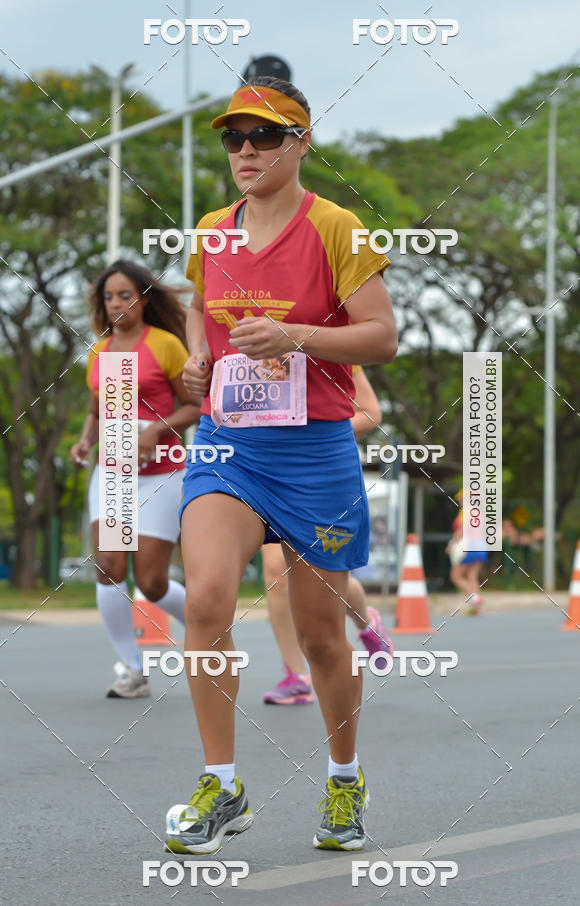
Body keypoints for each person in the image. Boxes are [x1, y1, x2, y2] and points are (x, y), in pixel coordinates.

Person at [165, 76, 397, 855]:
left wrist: (296, 335)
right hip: (230, 447)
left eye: (264, 136)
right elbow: (199, 308)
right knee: (204, 601)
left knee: (323, 636)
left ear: (302, 141)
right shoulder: (211, 230)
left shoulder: (338, 227)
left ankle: (343, 778)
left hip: (314, 451)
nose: (245, 151)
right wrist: (200, 360)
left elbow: (381, 337)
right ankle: (223, 785)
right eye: (234, 137)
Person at [70, 260, 201, 697]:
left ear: (144, 298)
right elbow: (95, 411)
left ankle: (206, 627)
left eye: (125, 295)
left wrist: (154, 430)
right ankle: (132, 669)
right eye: (109, 297)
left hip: (161, 475)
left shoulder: (164, 345)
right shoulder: (99, 352)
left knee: (152, 582)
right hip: (113, 474)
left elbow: (192, 406)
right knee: (108, 566)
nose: (116, 305)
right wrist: (85, 442)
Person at [262, 366, 394, 705]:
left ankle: (367, 621)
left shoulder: (326, 341)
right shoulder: (242, 347)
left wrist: (313, 441)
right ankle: (296, 676)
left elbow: (370, 412)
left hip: (316, 471)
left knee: (317, 570)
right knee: (276, 570)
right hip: (263, 470)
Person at [446, 489, 488, 614]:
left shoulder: (466, 511)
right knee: (472, 576)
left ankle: (475, 598)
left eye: (462, 498)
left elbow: (463, 529)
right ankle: (476, 608)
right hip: (480, 546)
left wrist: (452, 543)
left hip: (469, 547)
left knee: (456, 576)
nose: (459, 500)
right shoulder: (478, 512)